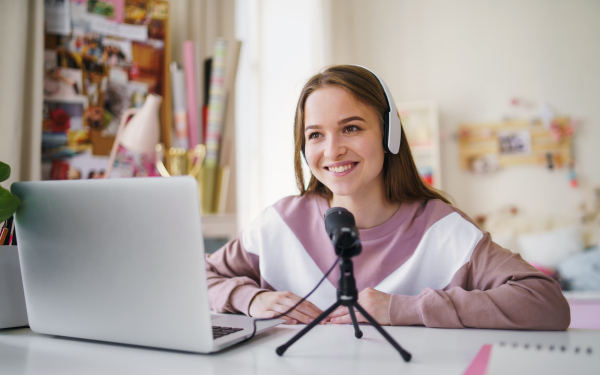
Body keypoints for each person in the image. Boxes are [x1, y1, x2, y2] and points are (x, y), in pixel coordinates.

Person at [205, 65, 570, 330]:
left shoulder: (441, 229)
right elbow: (198, 277)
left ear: (390, 133)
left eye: (351, 128)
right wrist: (248, 299)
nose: (332, 150)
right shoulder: (280, 222)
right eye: (315, 135)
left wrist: (400, 309)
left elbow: (546, 302)